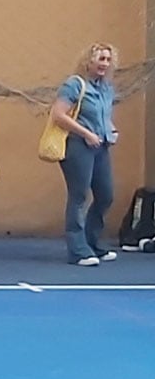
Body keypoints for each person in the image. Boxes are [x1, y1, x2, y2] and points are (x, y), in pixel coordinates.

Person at [46, 43, 121, 266]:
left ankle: (92, 241)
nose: (104, 64)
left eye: (108, 59)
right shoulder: (74, 85)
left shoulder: (106, 88)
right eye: (100, 58)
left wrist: (111, 130)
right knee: (79, 196)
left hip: (101, 146)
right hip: (78, 146)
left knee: (106, 195)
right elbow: (58, 115)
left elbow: (103, 115)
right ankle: (78, 249)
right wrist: (86, 133)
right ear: (88, 61)